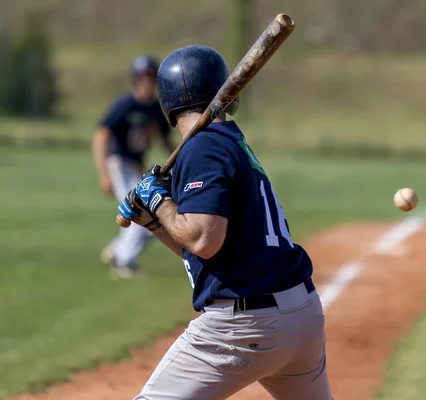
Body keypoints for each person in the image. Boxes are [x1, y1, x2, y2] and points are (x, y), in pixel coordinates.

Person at [117, 45, 333, 399]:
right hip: (302, 316)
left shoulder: (202, 147)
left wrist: (157, 199)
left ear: (167, 104)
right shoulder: (230, 142)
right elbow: (210, 253)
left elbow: (204, 240)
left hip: (244, 327)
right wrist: (155, 221)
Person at [92, 55, 175, 279]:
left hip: (137, 167)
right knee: (141, 211)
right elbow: (101, 136)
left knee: (155, 216)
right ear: (136, 78)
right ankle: (122, 262)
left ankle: (117, 251)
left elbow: (167, 142)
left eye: (150, 76)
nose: (147, 80)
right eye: (143, 76)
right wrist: (104, 174)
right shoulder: (126, 105)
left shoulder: (157, 110)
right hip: (118, 163)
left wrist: (183, 161)